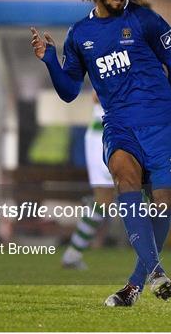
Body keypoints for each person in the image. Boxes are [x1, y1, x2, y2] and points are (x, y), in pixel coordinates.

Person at [30, 0, 171, 307]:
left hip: (162, 122)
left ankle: (133, 286)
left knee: (161, 205)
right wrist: (51, 60)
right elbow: (70, 90)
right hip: (118, 125)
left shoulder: (147, 20)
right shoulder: (80, 35)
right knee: (122, 177)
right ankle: (156, 273)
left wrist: (169, 109)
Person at [61, 92, 116, 269]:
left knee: (106, 200)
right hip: (105, 134)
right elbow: (97, 94)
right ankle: (72, 254)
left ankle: (72, 254)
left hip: (113, 132)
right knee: (105, 198)